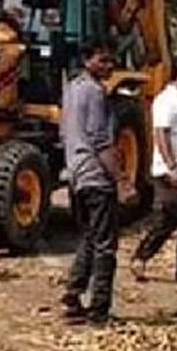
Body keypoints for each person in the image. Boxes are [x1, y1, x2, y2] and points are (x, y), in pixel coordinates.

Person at [60, 38, 125, 325]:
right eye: (103, 60)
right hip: (96, 176)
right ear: (87, 61)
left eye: (111, 61)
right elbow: (100, 140)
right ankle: (99, 310)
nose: (109, 66)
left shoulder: (71, 90)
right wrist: (121, 179)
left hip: (76, 173)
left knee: (89, 236)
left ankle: (73, 295)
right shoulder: (95, 93)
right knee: (105, 245)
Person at [131, 54, 177, 283]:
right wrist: (172, 166)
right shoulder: (166, 100)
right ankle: (142, 256)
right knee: (170, 217)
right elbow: (161, 133)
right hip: (172, 170)